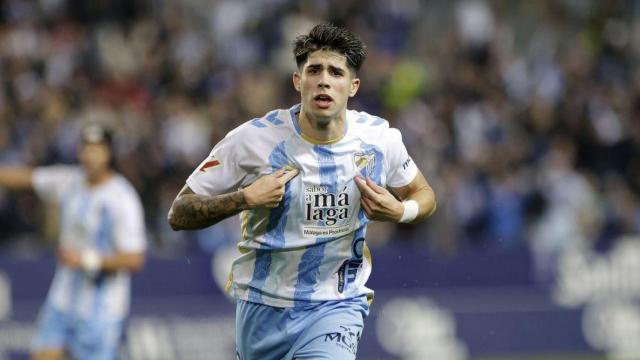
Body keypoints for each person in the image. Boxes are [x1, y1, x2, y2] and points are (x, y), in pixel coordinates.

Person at [168, 23, 436, 360]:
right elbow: (179, 213)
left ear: (353, 86)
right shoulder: (252, 140)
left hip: (336, 305)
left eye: (336, 72)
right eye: (314, 70)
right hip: (262, 307)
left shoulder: (379, 139)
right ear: (298, 81)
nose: (324, 80)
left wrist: (401, 212)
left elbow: (424, 193)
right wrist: (245, 198)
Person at [0, 125, 147, 360]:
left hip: (102, 309)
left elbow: (135, 259)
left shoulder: (122, 198)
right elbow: (26, 178)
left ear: (109, 154)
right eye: (86, 148)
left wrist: (85, 259)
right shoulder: (70, 181)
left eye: (97, 149)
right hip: (63, 298)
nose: (90, 155)